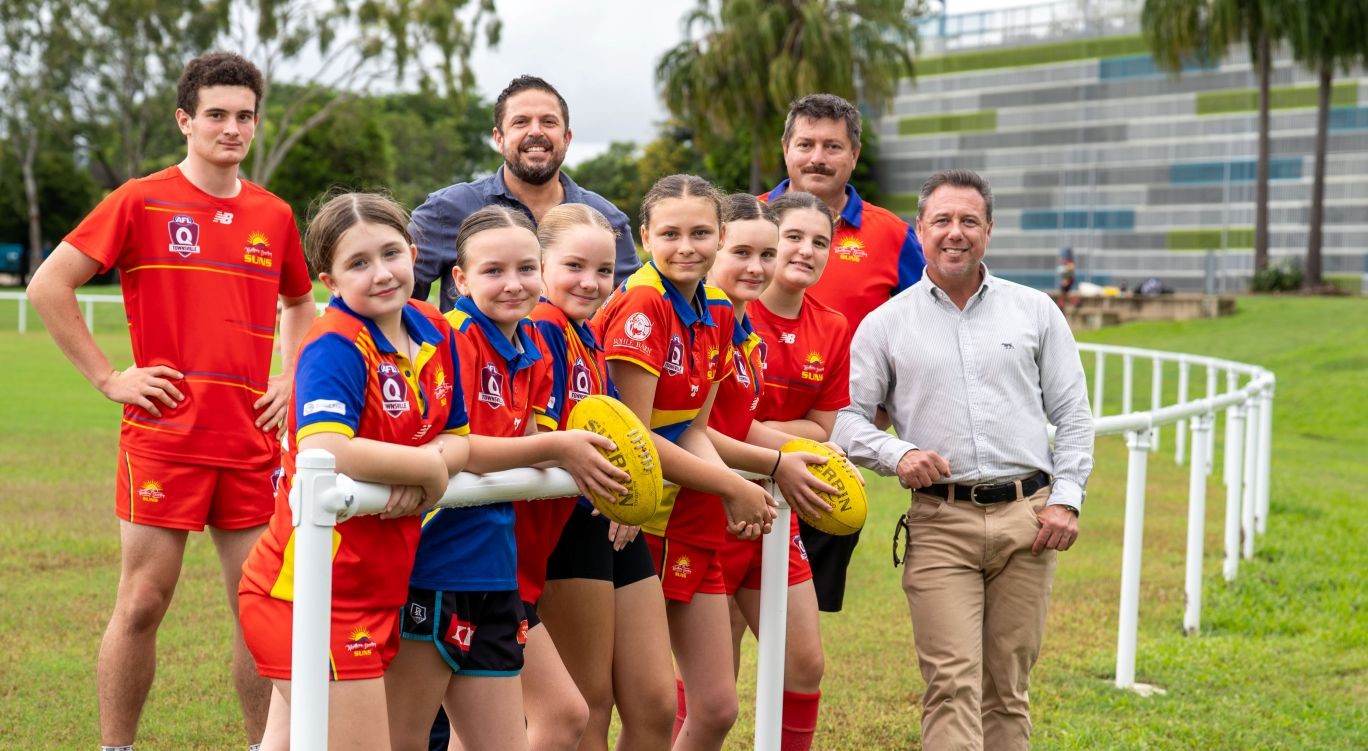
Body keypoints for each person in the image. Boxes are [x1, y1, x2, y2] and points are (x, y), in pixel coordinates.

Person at [26, 52, 315, 751]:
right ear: (186, 120)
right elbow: (47, 286)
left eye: (244, 115)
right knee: (144, 601)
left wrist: (290, 376)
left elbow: (302, 302)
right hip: (165, 439)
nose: (232, 127)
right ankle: (116, 747)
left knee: (258, 612)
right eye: (217, 114)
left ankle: (262, 746)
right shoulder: (139, 199)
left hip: (249, 443)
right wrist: (108, 378)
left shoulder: (272, 214)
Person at [831, 169, 1093, 751]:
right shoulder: (884, 324)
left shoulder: (1036, 311)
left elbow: (1074, 414)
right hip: (939, 524)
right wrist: (896, 453)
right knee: (951, 686)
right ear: (919, 230)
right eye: (942, 221)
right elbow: (845, 419)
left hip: (1029, 523)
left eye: (969, 221)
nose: (956, 233)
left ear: (989, 231)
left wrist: (1067, 499)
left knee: (1008, 689)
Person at [384, 205, 628, 751]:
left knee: (564, 716)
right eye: (493, 271)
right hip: (434, 566)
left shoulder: (536, 346)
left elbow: (529, 454)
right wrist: (560, 446)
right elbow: (455, 448)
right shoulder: (449, 339)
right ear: (461, 279)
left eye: (524, 269)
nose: (513, 284)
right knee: (402, 739)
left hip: (500, 567)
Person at [237, 192, 472, 750]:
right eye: (358, 263)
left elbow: (459, 436)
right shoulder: (335, 343)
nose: (382, 273)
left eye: (391, 253)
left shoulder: (434, 326)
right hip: (308, 593)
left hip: (375, 586)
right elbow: (324, 445)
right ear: (330, 281)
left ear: (414, 253)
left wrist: (435, 465)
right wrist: (426, 470)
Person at [592, 176, 779, 751]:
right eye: (669, 233)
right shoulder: (643, 305)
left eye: (701, 233)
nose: (686, 246)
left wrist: (737, 485)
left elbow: (695, 427)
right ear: (645, 236)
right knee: (626, 709)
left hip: (686, 516)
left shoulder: (719, 306)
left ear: (720, 235)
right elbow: (639, 437)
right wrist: (732, 485)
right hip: (631, 521)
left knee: (717, 708)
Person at [762, 92, 925, 614]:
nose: (817, 157)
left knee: (801, 614)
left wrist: (880, 412)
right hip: (729, 441)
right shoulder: (745, 219)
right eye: (805, 143)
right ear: (785, 148)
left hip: (833, 448)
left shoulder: (893, 235)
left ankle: (783, 697)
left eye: (832, 146)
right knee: (716, 615)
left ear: (853, 155)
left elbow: (923, 325)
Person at [522, 203, 677, 751]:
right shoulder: (540, 328)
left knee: (658, 704)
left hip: (612, 520)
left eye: (604, 271)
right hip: (566, 527)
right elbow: (536, 443)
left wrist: (628, 500)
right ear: (541, 265)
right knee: (588, 708)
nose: (591, 283)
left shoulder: (587, 336)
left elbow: (621, 439)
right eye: (574, 266)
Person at [719, 191, 851, 751]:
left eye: (820, 241)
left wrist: (762, 434)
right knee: (712, 686)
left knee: (804, 664)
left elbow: (825, 428)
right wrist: (777, 437)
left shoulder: (834, 326)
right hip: (712, 502)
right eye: (793, 237)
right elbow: (711, 427)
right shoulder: (723, 311)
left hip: (777, 506)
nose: (804, 251)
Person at [410, 75, 640, 310]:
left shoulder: (606, 219)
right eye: (520, 122)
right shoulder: (446, 209)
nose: (536, 132)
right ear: (499, 138)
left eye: (549, 122)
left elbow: (634, 309)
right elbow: (398, 299)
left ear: (566, 138)